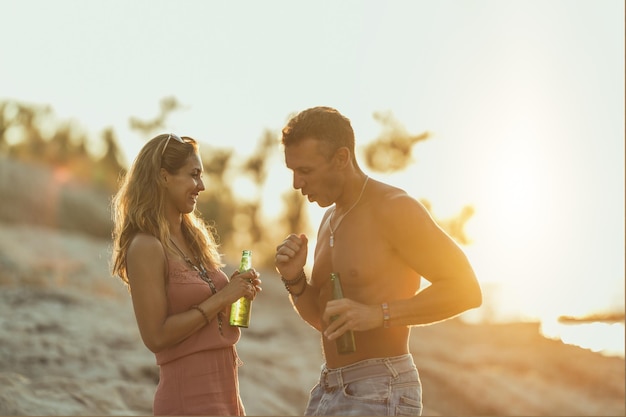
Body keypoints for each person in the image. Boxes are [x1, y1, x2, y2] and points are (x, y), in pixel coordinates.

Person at [274, 107, 482, 416]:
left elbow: (467, 290)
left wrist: (378, 314)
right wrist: (295, 280)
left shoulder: (394, 208)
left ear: (342, 158)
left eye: (305, 171)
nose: (296, 183)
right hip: (329, 389)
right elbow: (324, 322)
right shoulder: (329, 219)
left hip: (382, 389)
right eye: (293, 171)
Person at [111, 133, 261, 416]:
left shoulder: (194, 240)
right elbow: (155, 337)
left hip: (228, 392)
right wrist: (222, 298)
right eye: (194, 175)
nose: (201, 186)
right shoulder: (146, 246)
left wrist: (237, 293)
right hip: (188, 398)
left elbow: (210, 321)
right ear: (164, 177)